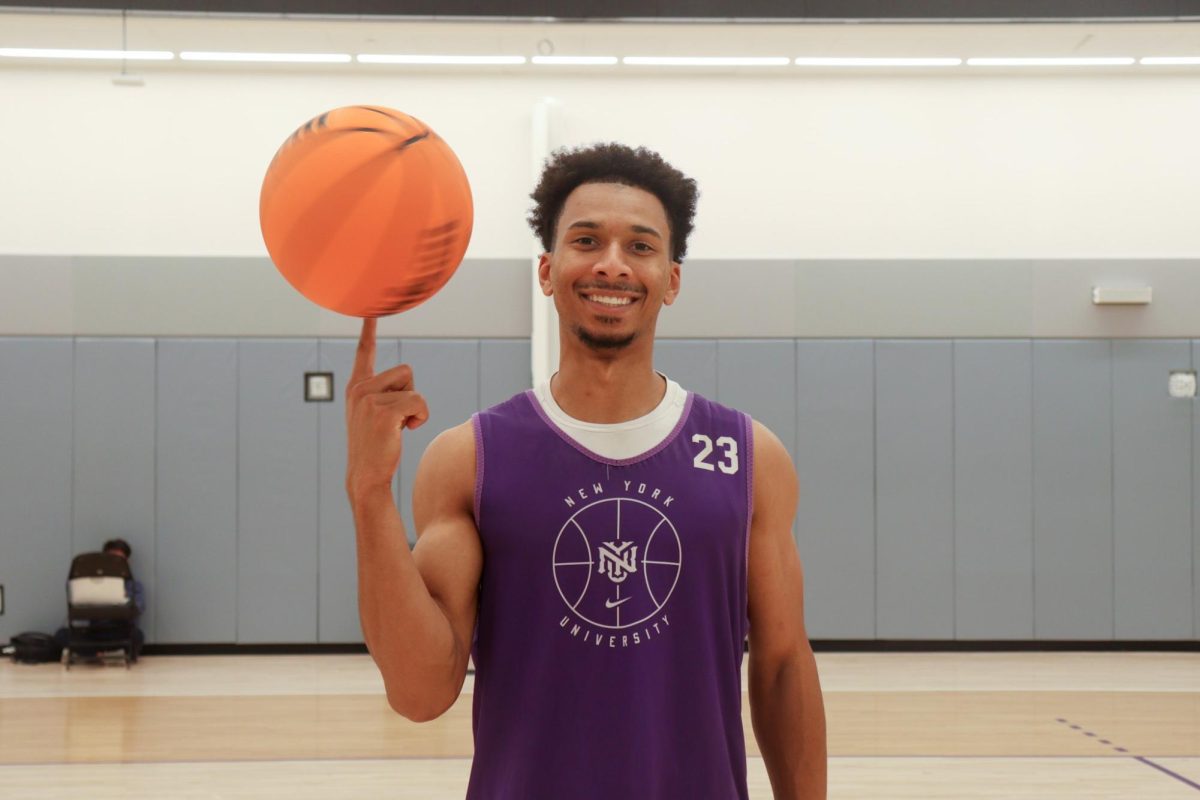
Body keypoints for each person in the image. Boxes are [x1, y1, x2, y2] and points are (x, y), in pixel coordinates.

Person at [345, 143, 827, 798]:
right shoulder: (471, 459)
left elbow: (780, 667)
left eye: (640, 246)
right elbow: (420, 692)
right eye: (586, 240)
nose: (611, 264)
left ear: (672, 278)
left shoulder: (747, 455)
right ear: (547, 270)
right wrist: (370, 494)